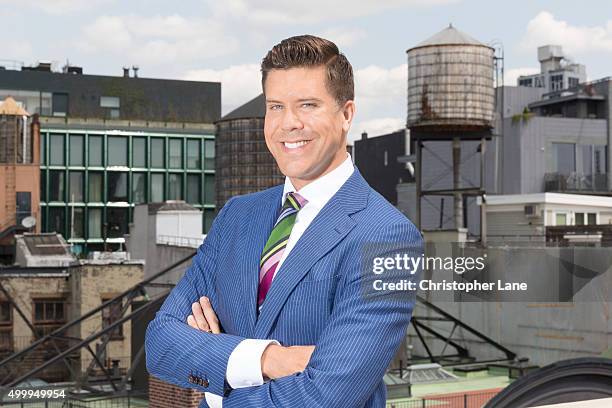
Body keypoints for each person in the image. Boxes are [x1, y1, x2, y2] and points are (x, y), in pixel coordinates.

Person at [145, 35, 423, 408]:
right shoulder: (237, 217)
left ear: (346, 114)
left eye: (307, 105)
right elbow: (161, 344)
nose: (288, 124)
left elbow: (327, 396)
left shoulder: (387, 235)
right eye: (275, 106)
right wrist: (268, 359)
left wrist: (216, 372)